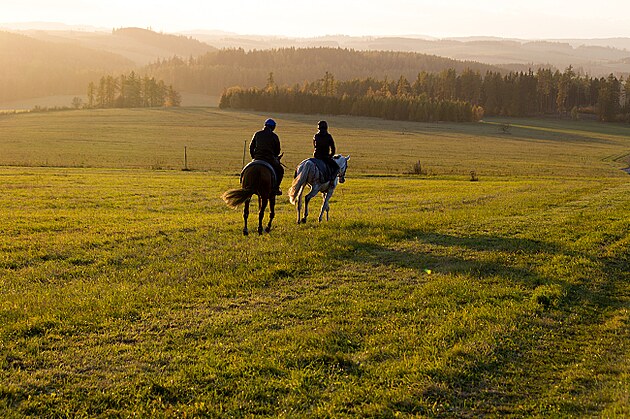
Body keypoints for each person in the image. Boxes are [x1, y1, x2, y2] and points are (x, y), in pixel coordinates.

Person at [249, 118, 284, 195]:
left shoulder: (257, 134)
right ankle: (276, 188)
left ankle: (243, 183)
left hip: (257, 158)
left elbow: (251, 147)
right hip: (269, 159)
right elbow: (277, 150)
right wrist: (275, 157)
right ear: (273, 127)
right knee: (280, 170)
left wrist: (253, 157)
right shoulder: (274, 136)